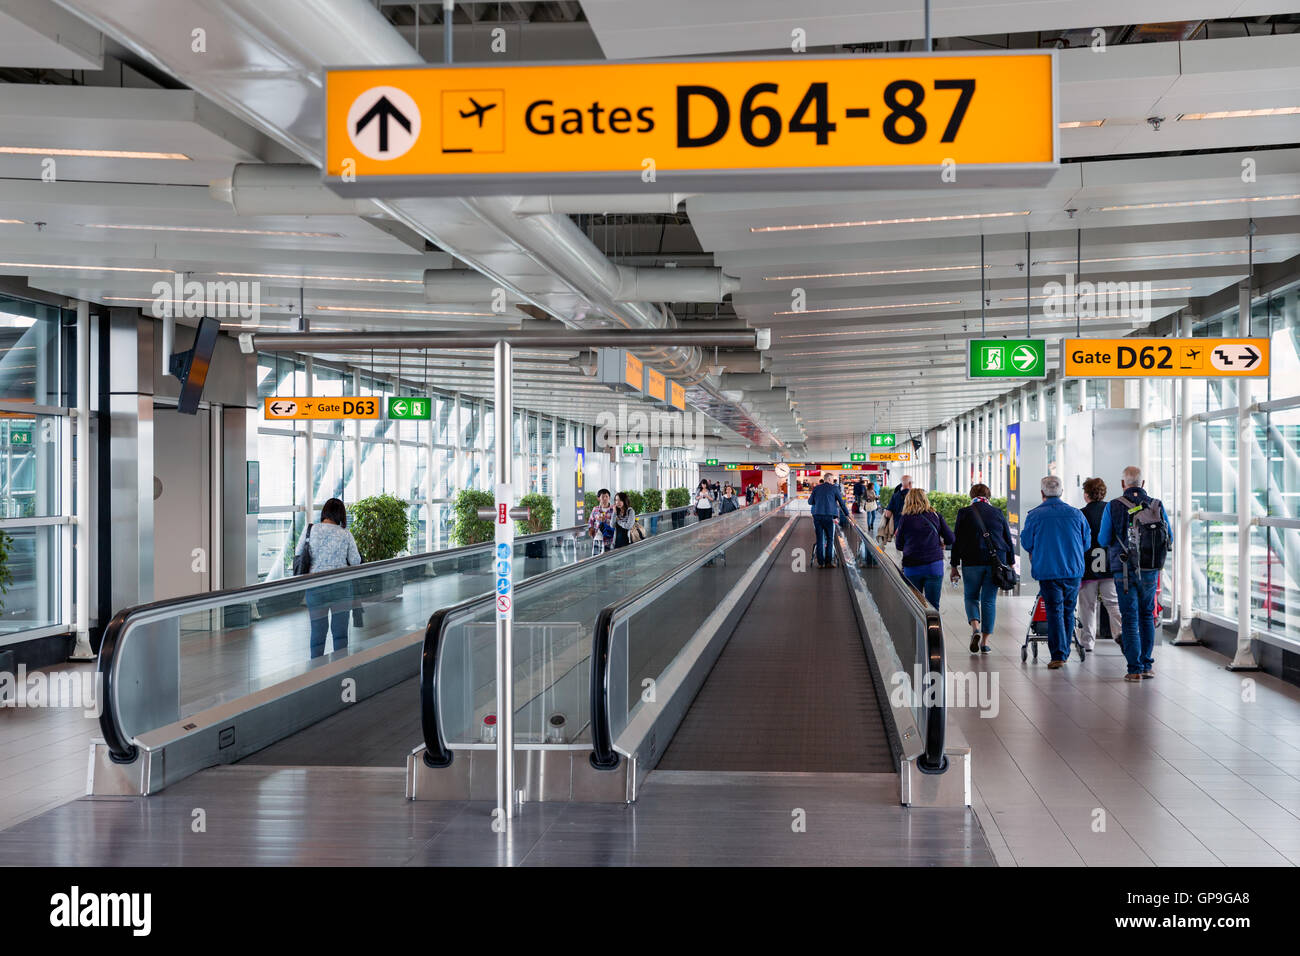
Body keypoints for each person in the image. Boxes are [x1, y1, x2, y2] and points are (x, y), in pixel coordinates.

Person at [1099, 466, 1172, 682]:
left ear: (1123, 484)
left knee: (1130, 618)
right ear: (1143, 483)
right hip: (1150, 570)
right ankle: (1148, 664)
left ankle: (1134, 669)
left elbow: (1103, 539)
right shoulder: (1156, 505)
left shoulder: (1113, 506)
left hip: (1124, 570)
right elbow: (1169, 537)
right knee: (1147, 615)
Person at [1020, 475, 1090, 669]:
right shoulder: (1076, 514)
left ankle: (1058, 654)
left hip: (1048, 570)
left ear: (1042, 493)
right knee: (1068, 610)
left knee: (1054, 610)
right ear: (1061, 492)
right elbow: (1086, 543)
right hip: (1072, 570)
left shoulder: (1034, 515)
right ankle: (1064, 652)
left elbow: (1026, 543)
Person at [950, 483, 1015, 654]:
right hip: (995, 561)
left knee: (971, 596)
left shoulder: (964, 512)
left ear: (971, 495)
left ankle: (975, 627)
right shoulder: (997, 512)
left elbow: (956, 540)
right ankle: (985, 643)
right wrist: (1011, 562)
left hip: (971, 560)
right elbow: (1007, 538)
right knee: (989, 600)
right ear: (989, 496)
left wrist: (954, 565)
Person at [295, 497, 362, 659]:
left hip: (315, 587)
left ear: (324, 512)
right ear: (341, 515)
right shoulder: (345, 534)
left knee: (317, 632)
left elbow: (298, 554)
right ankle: (339, 669)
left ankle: (316, 671)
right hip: (341, 588)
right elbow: (355, 561)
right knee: (340, 633)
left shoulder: (310, 530)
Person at [1078, 477, 1124, 654]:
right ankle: (1122, 635)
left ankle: (1087, 642)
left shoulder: (1081, 513)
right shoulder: (1111, 510)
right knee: (1113, 603)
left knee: (1087, 605)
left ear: (1086, 494)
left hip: (1088, 567)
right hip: (1110, 566)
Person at [895, 488, 955, 610]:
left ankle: (917, 629)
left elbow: (899, 545)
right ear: (925, 499)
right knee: (933, 606)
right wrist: (941, 542)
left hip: (912, 566)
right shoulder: (936, 516)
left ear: (908, 500)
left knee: (915, 605)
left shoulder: (905, 519)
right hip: (934, 565)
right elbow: (951, 539)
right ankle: (932, 628)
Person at [808, 474, 847, 569]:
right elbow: (841, 503)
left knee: (820, 539)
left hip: (817, 516)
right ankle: (828, 562)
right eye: (832, 479)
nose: (833, 481)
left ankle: (820, 563)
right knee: (830, 539)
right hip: (829, 517)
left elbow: (810, 502)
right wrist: (847, 514)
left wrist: (819, 502)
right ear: (829, 479)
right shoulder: (834, 488)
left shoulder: (816, 488)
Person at [588, 488, 616, 553]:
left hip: (609, 539)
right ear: (598, 498)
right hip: (597, 537)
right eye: (603, 497)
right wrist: (591, 529)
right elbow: (591, 521)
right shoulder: (595, 509)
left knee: (607, 558)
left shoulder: (613, 510)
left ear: (609, 498)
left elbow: (615, 523)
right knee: (595, 557)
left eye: (607, 496)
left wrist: (605, 520)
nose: (605, 499)